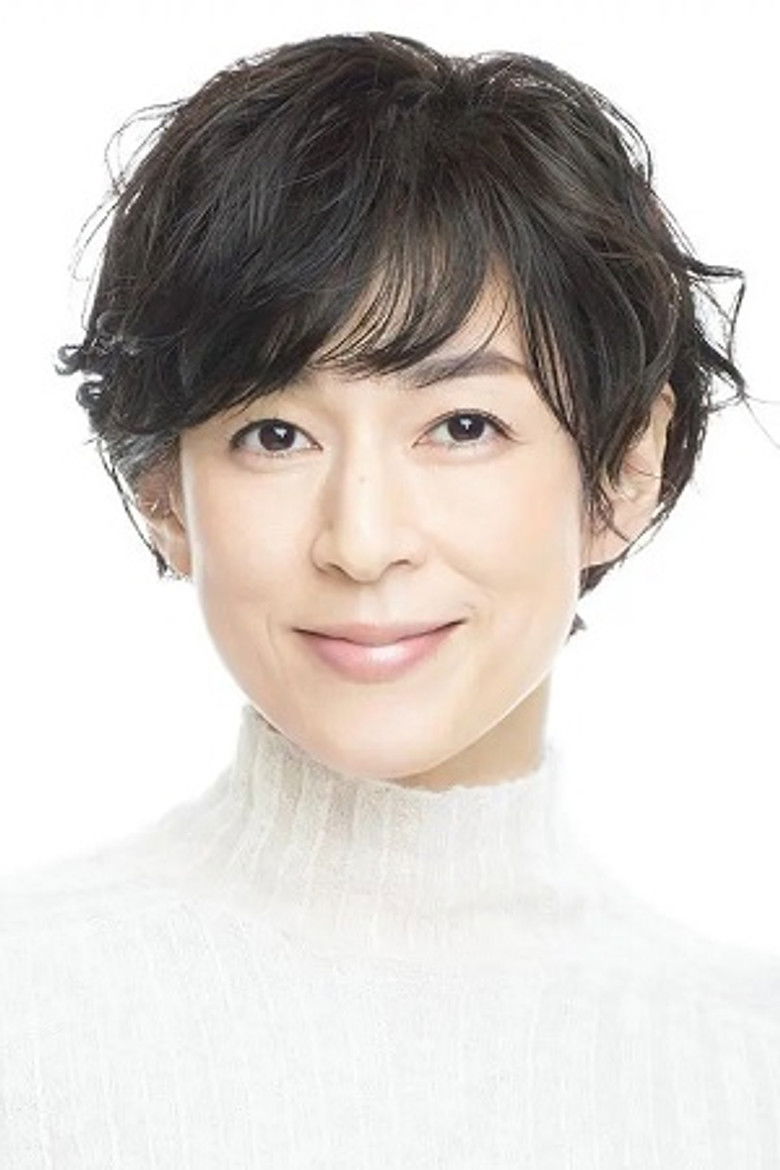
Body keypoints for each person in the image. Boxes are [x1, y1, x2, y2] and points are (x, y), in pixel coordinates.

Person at [1, 29, 777, 1167]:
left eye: (462, 425)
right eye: (275, 434)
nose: (362, 543)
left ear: (624, 470)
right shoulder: (27, 1017)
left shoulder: (745, 1075)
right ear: (164, 490)